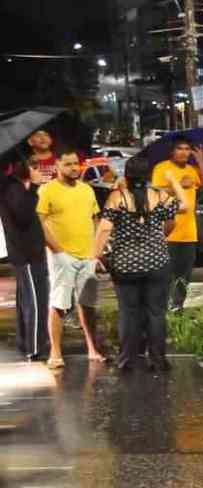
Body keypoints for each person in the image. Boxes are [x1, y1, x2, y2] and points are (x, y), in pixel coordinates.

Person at [94, 157, 190, 372]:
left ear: (126, 175)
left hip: (125, 265)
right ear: (147, 177)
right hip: (157, 263)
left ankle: (127, 360)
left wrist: (95, 256)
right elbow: (185, 206)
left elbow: (104, 229)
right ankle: (158, 360)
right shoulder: (159, 196)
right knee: (156, 313)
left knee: (128, 313)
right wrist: (173, 182)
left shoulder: (117, 198)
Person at [37, 147, 105, 369]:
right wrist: (57, 250)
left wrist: (97, 251)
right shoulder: (47, 190)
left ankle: (92, 349)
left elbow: (95, 220)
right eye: (68, 164)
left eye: (76, 163)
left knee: (88, 304)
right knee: (58, 305)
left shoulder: (86, 190)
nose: (74, 168)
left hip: (87, 255)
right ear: (57, 166)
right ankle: (55, 352)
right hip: (62, 257)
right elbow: (39, 223)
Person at [151, 137, 203, 311]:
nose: (184, 152)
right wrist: (179, 184)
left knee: (184, 276)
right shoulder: (162, 168)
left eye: (187, 149)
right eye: (180, 148)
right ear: (172, 151)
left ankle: (177, 308)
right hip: (167, 232)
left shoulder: (192, 170)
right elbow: (155, 193)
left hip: (189, 233)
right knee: (166, 275)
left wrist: (200, 161)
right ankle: (161, 310)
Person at [0, 159, 49, 361]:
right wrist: (35, 187)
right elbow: (24, 216)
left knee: (26, 300)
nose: (38, 171)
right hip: (27, 254)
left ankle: (25, 342)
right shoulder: (13, 189)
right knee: (35, 301)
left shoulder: (12, 187)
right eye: (34, 167)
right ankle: (34, 347)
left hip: (27, 253)